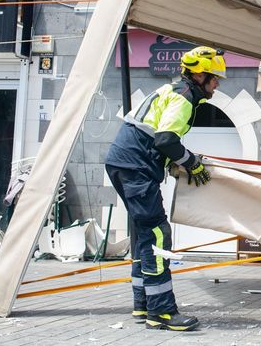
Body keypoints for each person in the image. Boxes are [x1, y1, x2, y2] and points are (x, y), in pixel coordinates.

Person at [104, 46, 226, 332]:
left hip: (125, 162)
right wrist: (192, 163)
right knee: (158, 233)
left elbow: (158, 136)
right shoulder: (183, 98)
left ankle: (143, 304)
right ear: (199, 75)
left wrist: (178, 159)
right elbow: (165, 139)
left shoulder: (172, 90)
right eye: (214, 77)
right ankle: (161, 312)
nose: (217, 83)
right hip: (136, 165)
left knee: (145, 233)